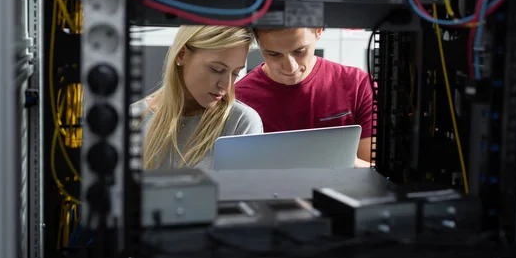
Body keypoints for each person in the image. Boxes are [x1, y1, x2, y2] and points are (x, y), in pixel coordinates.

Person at [235, 27, 373, 167]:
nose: (290, 68)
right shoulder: (238, 98)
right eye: (274, 54)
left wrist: (340, 162)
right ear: (258, 44)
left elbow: (377, 173)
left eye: (299, 51)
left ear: (318, 31)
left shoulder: (358, 86)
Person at [132, 25, 263, 170]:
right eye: (217, 69)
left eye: (235, 73)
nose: (226, 86)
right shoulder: (133, 118)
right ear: (182, 55)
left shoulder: (240, 122)